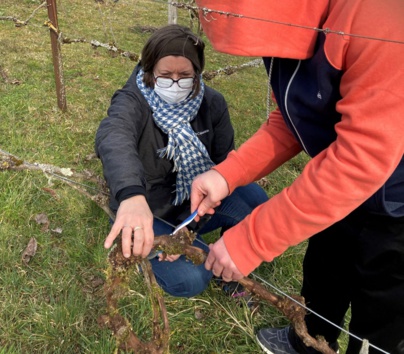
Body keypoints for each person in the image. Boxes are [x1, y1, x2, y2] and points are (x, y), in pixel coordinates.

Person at [190, 0, 404, 353]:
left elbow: (361, 158)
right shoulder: (280, 21)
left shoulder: (383, 16)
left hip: (396, 203)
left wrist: (252, 240)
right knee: (323, 270)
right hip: (335, 184)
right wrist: (226, 175)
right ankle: (306, 343)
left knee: (382, 312)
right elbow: (292, 121)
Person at [95, 24, 268, 298]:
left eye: (184, 75)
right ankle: (146, 250)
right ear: (151, 72)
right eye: (165, 75)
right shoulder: (133, 101)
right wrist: (131, 196)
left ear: (197, 74)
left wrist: (188, 232)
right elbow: (113, 136)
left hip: (195, 206)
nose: (175, 83)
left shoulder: (212, 104)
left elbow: (225, 168)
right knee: (192, 278)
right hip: (149, 210)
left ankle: (227, 261)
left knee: (256, 201)